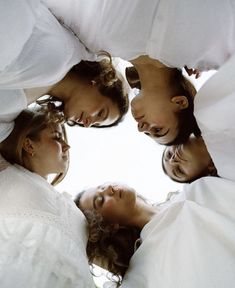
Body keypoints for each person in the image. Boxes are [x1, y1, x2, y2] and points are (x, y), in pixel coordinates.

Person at [43, 0, 235, 145]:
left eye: (147, 133)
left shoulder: (97, 48)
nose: (141, 127)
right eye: (158, 129)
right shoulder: (206, 51)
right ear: (180, 102)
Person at [0, 1, 128, 143]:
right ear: (100, 82)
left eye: (94, 125)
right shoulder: (61, 53)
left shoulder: (18, 111)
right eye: (100, 114)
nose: (87, 124)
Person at [75, 179, 235, 288]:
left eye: (102, 186)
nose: (108, 189)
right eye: (100, 200)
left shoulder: (198, 188)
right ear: (110, 226)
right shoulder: (145, 268)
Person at [0, 106, 95, 287]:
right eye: (57, 137)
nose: (67, 146)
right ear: (29, 145)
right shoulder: (6, 173)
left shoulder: (72, 205)